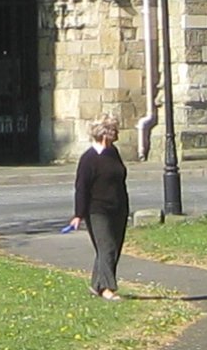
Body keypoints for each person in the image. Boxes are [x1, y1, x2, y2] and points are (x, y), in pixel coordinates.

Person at [68, 114, 129, 301]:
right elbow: (81, 187)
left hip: (118, 208)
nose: (117, 133)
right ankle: (108, 289)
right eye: (114, 130)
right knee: (107, 247)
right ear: (106, 134)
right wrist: (78, 214)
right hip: (97, 211)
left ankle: (96, 286)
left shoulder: (113, 153)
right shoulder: (88, 159)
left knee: (113, 249)